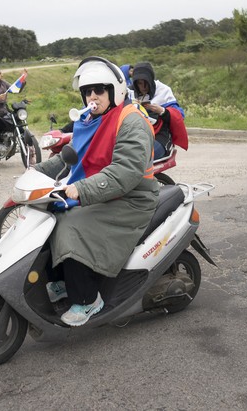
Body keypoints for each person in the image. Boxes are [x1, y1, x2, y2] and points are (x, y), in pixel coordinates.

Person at [36, 56, 159, 327]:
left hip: (132, 197)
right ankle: (62, 282)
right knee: (49, 218)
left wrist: (79, 189)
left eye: (99, 90)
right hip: (102, 191)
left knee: (72, 225)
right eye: (87, 91)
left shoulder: (131, 120)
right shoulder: (92, 119)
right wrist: (36, 173)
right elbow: (72, 158)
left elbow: (125, 172)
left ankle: (88, 300)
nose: (93, 96)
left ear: (115, 90)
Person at [131, 62, 189, 160]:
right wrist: (131, 105)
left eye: (146, 83)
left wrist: (162, 111)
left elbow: (179, 115)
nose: (143, 87)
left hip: (160, 136)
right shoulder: (130, 92)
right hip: (135, 136)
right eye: (140, 83)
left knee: (141, 158)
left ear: (151, 80)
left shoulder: (163, 91)